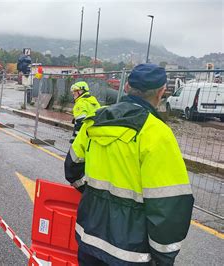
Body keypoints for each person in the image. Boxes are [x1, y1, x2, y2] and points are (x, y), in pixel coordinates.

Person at [64, 64, 194, 265]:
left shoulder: (94, 121)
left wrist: (96, 197)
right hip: (132, 253)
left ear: (126, 87)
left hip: (89, 239)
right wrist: (164, 258)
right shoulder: (157, 134)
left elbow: (72, 169)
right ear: (161, 92)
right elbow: (168, 206)